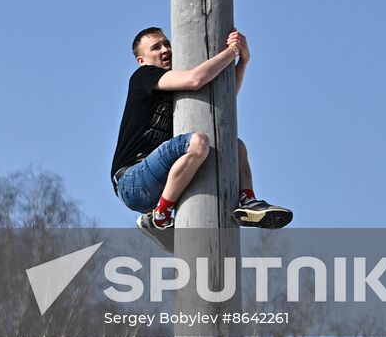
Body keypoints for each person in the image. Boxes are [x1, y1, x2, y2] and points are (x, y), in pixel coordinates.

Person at [110, 26, 292, 235]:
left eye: (167, 44)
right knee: (197, 143)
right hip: (132, 179)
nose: (165, 50)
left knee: (234, 144)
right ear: (142, 60)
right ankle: (161, 217)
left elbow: (225, 97)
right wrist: (232, 51)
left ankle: (247, 200)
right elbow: (195, 79)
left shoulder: (173, 87)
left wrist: (243, 61)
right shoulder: (143, 76)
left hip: (160, 178)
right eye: (156, 47)